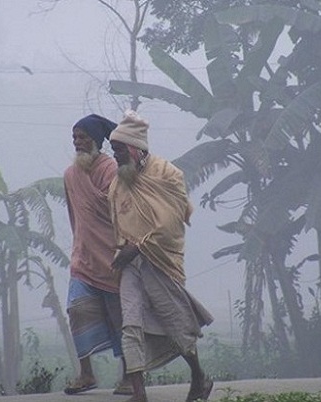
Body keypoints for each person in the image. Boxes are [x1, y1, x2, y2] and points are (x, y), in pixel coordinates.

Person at [107, 110, 215, 402]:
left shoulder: (167, 173)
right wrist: (123, 251)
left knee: (176, 324)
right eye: (113, 149)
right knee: (130, 324)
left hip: (160, 262)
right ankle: (139, 393)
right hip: (131, 265)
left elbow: (170, 222)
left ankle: (198, 376)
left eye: (118, 149)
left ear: (136, 148)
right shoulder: (118, 184)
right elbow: (117, 222)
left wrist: (138, 246)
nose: (114, 155)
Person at [62, 114, 132, 396]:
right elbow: (75, 216)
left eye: (83, 137)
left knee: (121, 321)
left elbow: (122, 213)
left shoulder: (110, 170)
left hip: (112, 260)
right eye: (75, 138)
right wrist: (81, 244)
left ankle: (130, 377)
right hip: (83, 260)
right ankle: (86, 374)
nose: (78, 142)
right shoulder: (69, 175)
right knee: (77, 311)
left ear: (96, 141)